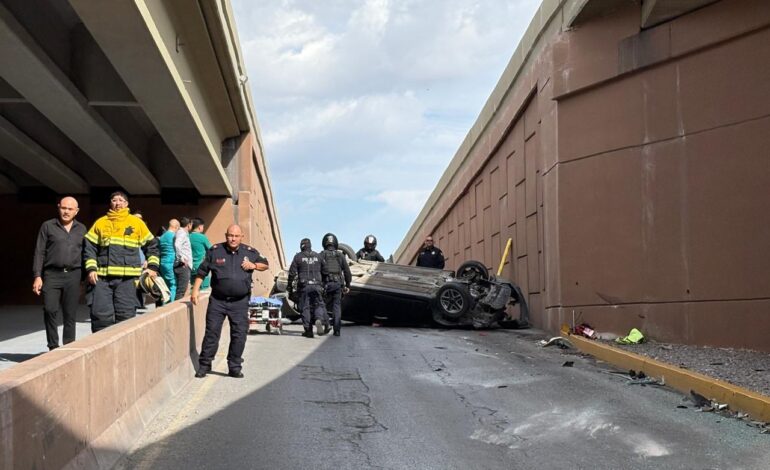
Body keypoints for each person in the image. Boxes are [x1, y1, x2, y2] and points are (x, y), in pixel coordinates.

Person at [191, 224, 268, 378]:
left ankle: (234, 366)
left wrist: (253, 265)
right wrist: (195, 291)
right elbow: (202, 272)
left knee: (239, 334)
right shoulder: (215, 251)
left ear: (241, 237)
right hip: (218, 301)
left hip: (240, 302)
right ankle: (204, 365)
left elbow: (265, 265)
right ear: (226, 235)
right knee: (212, 333)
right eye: (230, 235)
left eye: (236, 236)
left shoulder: (250, 252)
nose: (233, 239)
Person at [84, 191, 159, 332]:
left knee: (125, 318)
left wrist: (153, 267)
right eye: (114, 200)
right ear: (110, 203)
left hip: (127, 281)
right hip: (102, 280)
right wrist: (91, 269)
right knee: (101, 317)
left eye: (121, 200)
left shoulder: (136, 223)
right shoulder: (101, 223)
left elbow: (152, 246)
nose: (117, 203)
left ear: (126, 204)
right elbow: (89, 248)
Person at [32, 196, 87, 350]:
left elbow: (86, 254)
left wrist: (85, 278)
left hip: (73, 275)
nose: (66, 211)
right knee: (50, 309)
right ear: (58, 207)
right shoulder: (48, 226)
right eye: (64, 208)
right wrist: (37, 276)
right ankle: (53, 346)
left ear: (76, 211)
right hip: (52, 274)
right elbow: (39, 252)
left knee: (70, 313)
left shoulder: (82, 229)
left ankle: (68, 346)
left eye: (70, 209)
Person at [287, 238, 328, 338]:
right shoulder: (318, 256)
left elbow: (292, 273)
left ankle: (308, 330)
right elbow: (326, 271)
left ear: (301, 246)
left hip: (304, 286)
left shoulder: (298, 257)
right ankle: (319, 319)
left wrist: (289, 286)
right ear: (310, 245)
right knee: (318, 304)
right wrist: (324, 284)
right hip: (317, 285)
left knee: (305, 307)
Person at [320, 233, 352, 337]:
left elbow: (317, 271)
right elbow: (347, 272)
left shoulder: (321, 254)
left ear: (325, 243)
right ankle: (337, 330)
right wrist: (348, 285)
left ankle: (326, 323)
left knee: (322, 304)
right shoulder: (340, 255)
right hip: (338, 284)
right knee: (337, 307)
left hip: (326, 284)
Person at [158, 219, 179, 301]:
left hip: (162, 262)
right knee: (173, 285)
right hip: (170, 262)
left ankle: (164, 304)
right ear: (176, 227)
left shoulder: (162, 236)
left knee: (165, 286)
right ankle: (171, 305)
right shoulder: (173, 236)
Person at [189, 217, 212, 290]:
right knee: (204, 289)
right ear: (199, 227)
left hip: (191, 267)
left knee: (194, 288)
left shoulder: (188, 236)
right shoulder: (202, 237)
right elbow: (211, 249)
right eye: (203, 226)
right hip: (202, 266)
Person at [173, 217, 193, 300]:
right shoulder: (182, 233)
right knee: (181, 291)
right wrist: (182, 258)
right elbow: (177, 244)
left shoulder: (183, 233)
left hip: (183, 265)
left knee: (182, 290)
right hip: (183, 266)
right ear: (189, 225)